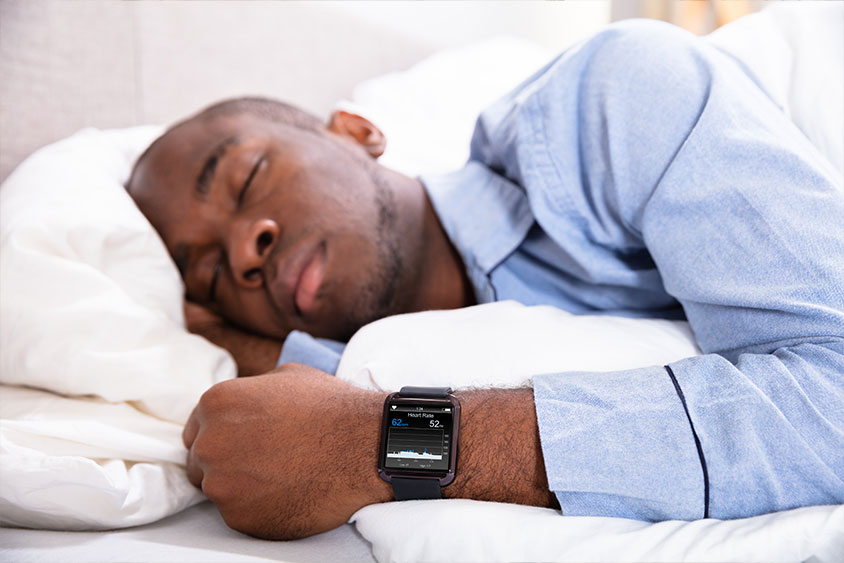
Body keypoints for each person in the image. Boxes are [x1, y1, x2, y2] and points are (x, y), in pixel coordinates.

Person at [127, 20, 844, 540]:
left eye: (249, 175)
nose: (246, 247)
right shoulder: (355, 362)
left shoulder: (612, 99)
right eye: (215, 271)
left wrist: (372, 443)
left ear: (354, 131)